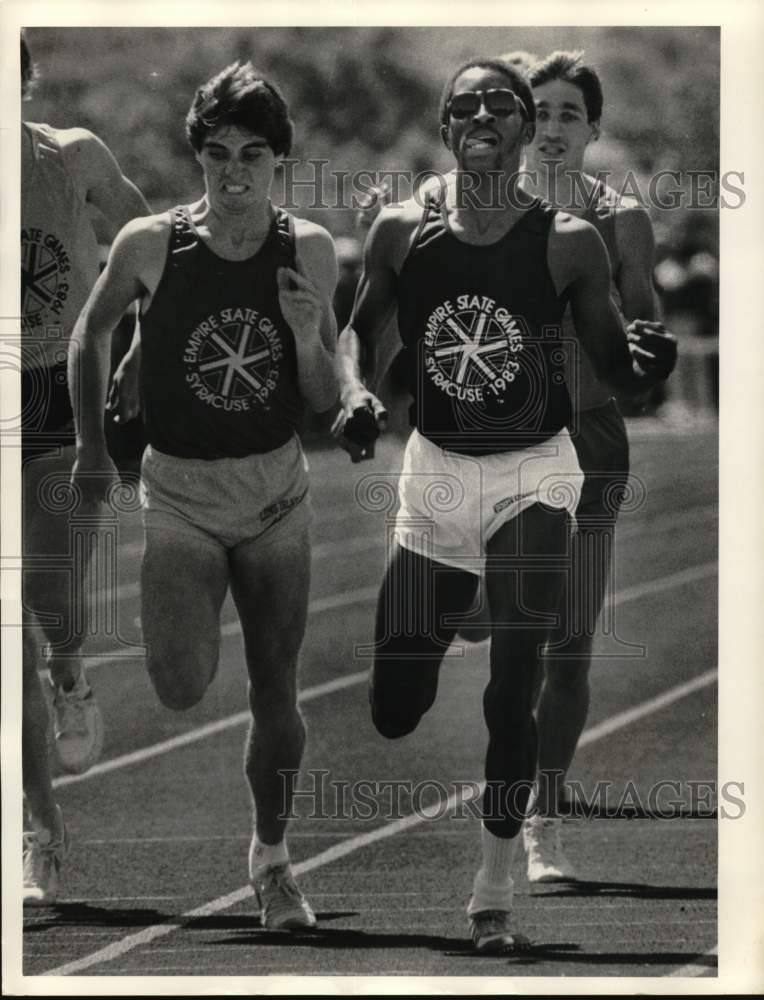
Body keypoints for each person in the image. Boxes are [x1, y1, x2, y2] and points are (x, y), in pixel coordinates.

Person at [335, 57, 676, 953]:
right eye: (463, 105)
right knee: (393, 706)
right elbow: (359, 333)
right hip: (437, 474)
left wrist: (649, 360)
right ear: (446, 130)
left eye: (501, 103)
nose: (482, 114)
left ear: (524, 129)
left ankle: (493, 890)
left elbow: (616, 369)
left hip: (537, 469)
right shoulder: (401, 230)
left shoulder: (571, 239)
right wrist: (355, 394)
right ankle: (459, 604)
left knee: (512, 683)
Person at [69, 61, 338, 930]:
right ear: (197, 157)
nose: (233, 173)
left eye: (252, 156)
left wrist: (304, 336)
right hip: (180, 491)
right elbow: (90, 329)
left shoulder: (310, 248)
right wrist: (89, 448)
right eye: (216, 154)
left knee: (277, 693)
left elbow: (328, 399)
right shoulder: (152, 243)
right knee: (182, 687)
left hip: (274, 496)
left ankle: (272, 860)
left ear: (278, 162)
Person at [519, 50, 664, 882]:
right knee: (488, 626)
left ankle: (543, 821)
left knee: (565, 648)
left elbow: (643, 344)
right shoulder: (485, 213)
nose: (551, 127)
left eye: (569, 113)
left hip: (590, 439)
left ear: (593, 130)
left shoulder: (622, 220)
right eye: (538, 111)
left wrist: (648, 357)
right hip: (495, 444)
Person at [20, 30, 151, 904]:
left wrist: (136, 351)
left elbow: (148, 242)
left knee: (50, 598)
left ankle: (71, 671)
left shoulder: (72, 158)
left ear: (24, 77)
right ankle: (41, 833)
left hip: (53, 390)